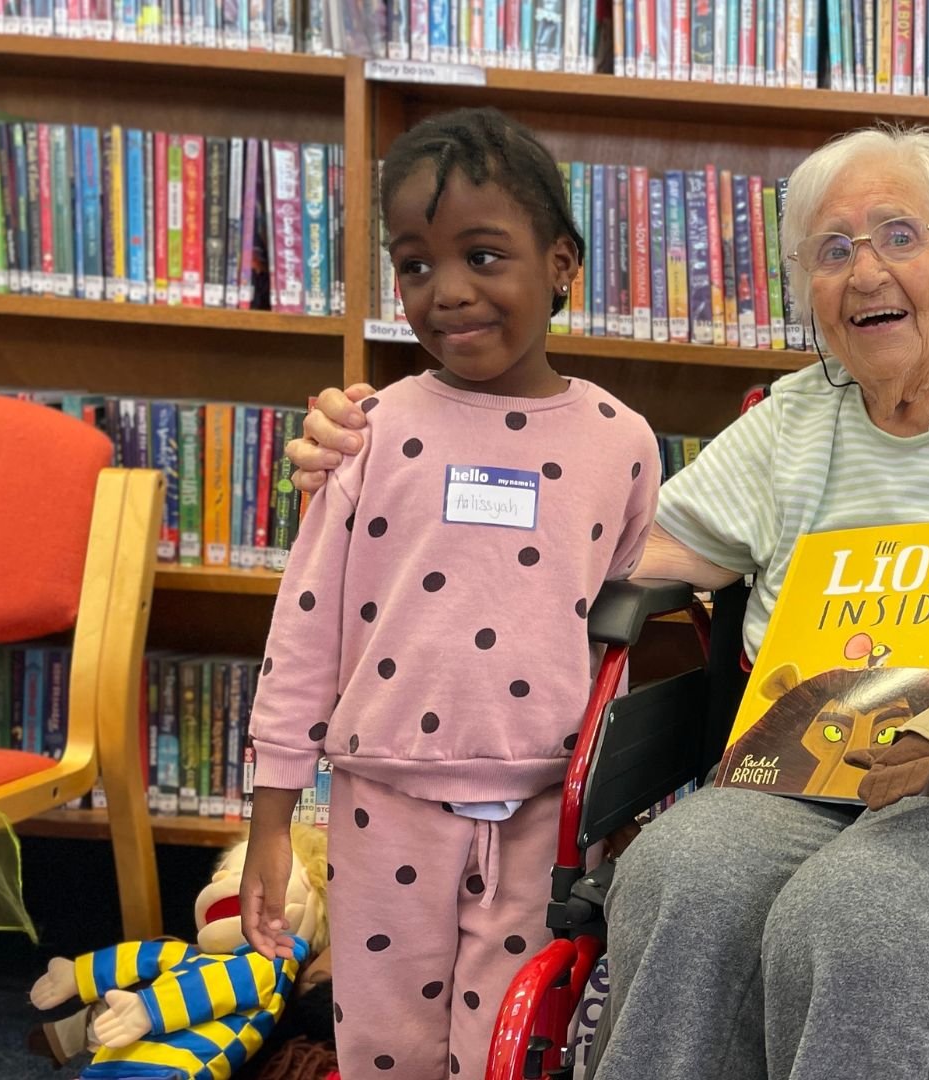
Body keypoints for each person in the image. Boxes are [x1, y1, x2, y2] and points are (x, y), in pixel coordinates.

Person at [280, 124, 929, 1079]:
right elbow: (607, 551)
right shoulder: (789, 423)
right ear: (806, 287)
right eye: (833, 250)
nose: (866, 274)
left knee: (865, 917)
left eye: (900, 236)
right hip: (798, 777)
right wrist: (379, 462)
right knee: (679, 872)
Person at [239, 106, 660, 1080]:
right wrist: (268, 822)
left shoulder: (621, 445)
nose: (448, 293)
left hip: (542, 814)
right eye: (416, 264)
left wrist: (617, 803)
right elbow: (302, 630)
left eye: (483, 255)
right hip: (385, 801)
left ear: (561, 262)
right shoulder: (371, 432)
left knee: (517, 1047)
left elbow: (624, 644)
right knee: (383, 1049)